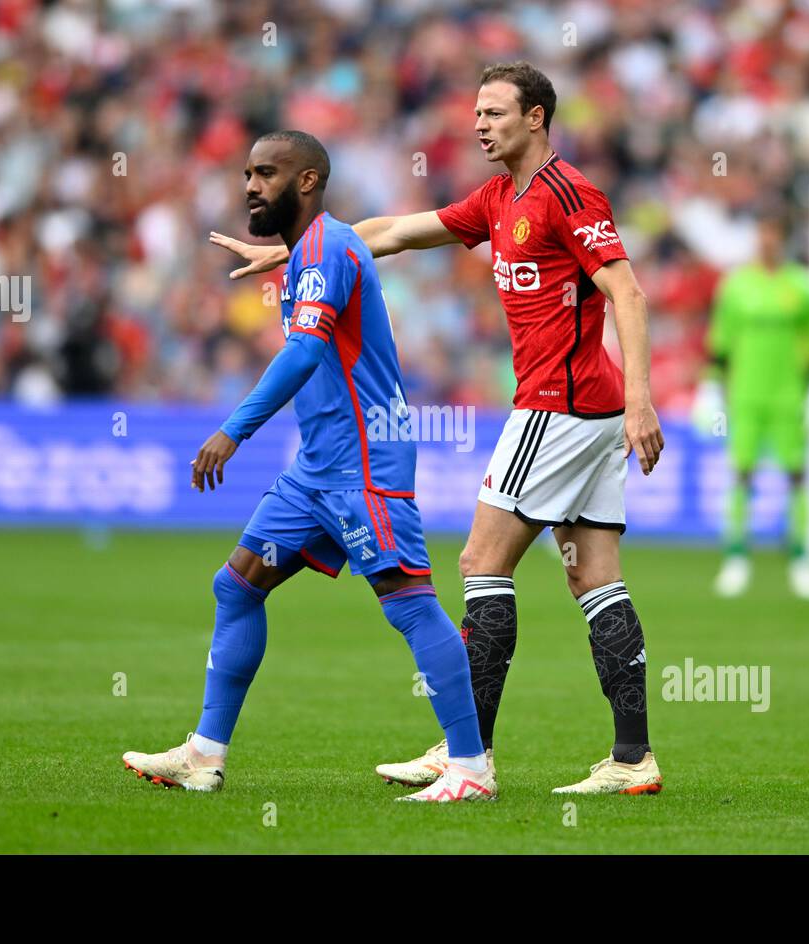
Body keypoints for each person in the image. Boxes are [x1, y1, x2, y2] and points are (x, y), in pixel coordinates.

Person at [212, 63, 666, 796]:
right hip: (585, 412)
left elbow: (628, 291)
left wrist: (644, 399)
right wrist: (298, 250)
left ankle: (467, 752)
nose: (480, 124)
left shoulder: (569, 194)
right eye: (477, 112)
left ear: (538, 118)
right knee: (595, 578)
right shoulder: (497, 199)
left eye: (495, 112)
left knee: (481, 564)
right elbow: (391, 232)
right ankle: (632, 758)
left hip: (560, 405)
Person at [121, 131, 493, 802]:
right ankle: (204, 754)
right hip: (317, 469)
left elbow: (301, 353)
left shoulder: (327, 247)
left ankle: (471, 765)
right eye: (246, 173)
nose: (250, 185)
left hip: (364, 465)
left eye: (267, 173)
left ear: (307, 182)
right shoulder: (314, 251)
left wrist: (233, 431)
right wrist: (286, 255)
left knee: (409, 604)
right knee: (237, 585)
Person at [693, 212, 809, 600]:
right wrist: (710, 388)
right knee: (741, 474)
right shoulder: (736, 285)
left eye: (774, 233)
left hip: (790, 396)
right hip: (746, 396)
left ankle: (801, 560)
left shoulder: (801, 285)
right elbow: (721, 342)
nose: (767, 241)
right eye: (762, 233)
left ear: (783, 239)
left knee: (797, 475)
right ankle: (736, 558)